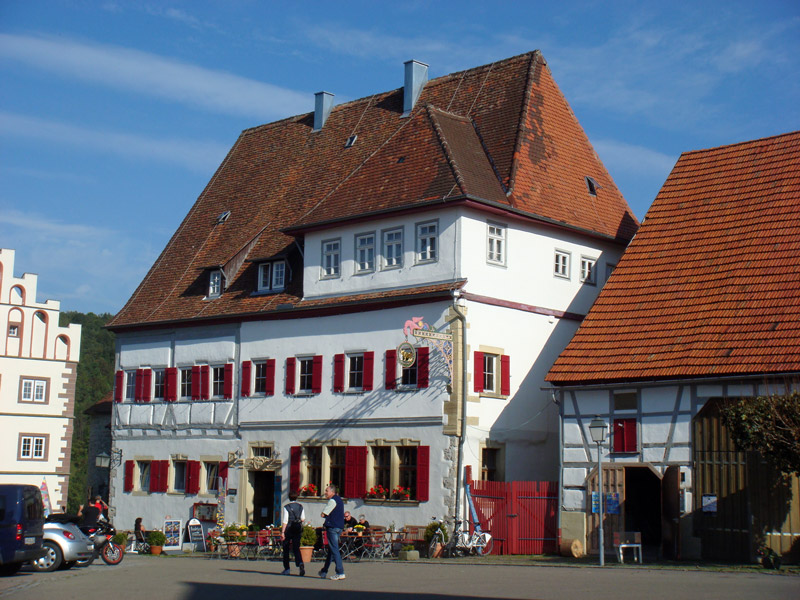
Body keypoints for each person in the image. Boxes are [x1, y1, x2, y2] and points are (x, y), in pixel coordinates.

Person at [318, 484, 345, 581]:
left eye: (326, 491)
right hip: (339, 527)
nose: (325, 493)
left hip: (332, 527)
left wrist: (324, 514)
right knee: (331, 550)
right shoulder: (340, 500)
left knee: (334, 549)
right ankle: (324, 571)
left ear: (332, 492)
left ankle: (340, 572)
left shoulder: (332, 500)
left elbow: (323, 514)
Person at [280, 491, 305, 576]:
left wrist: (283, 532)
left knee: (286, 548)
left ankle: (287, 568)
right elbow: (303, 518)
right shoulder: (300, 507)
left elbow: (285, 521)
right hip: (297, 528)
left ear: (289, 497)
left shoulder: (286, 507)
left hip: (289, 529)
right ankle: (300, 563)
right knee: (296, 548)